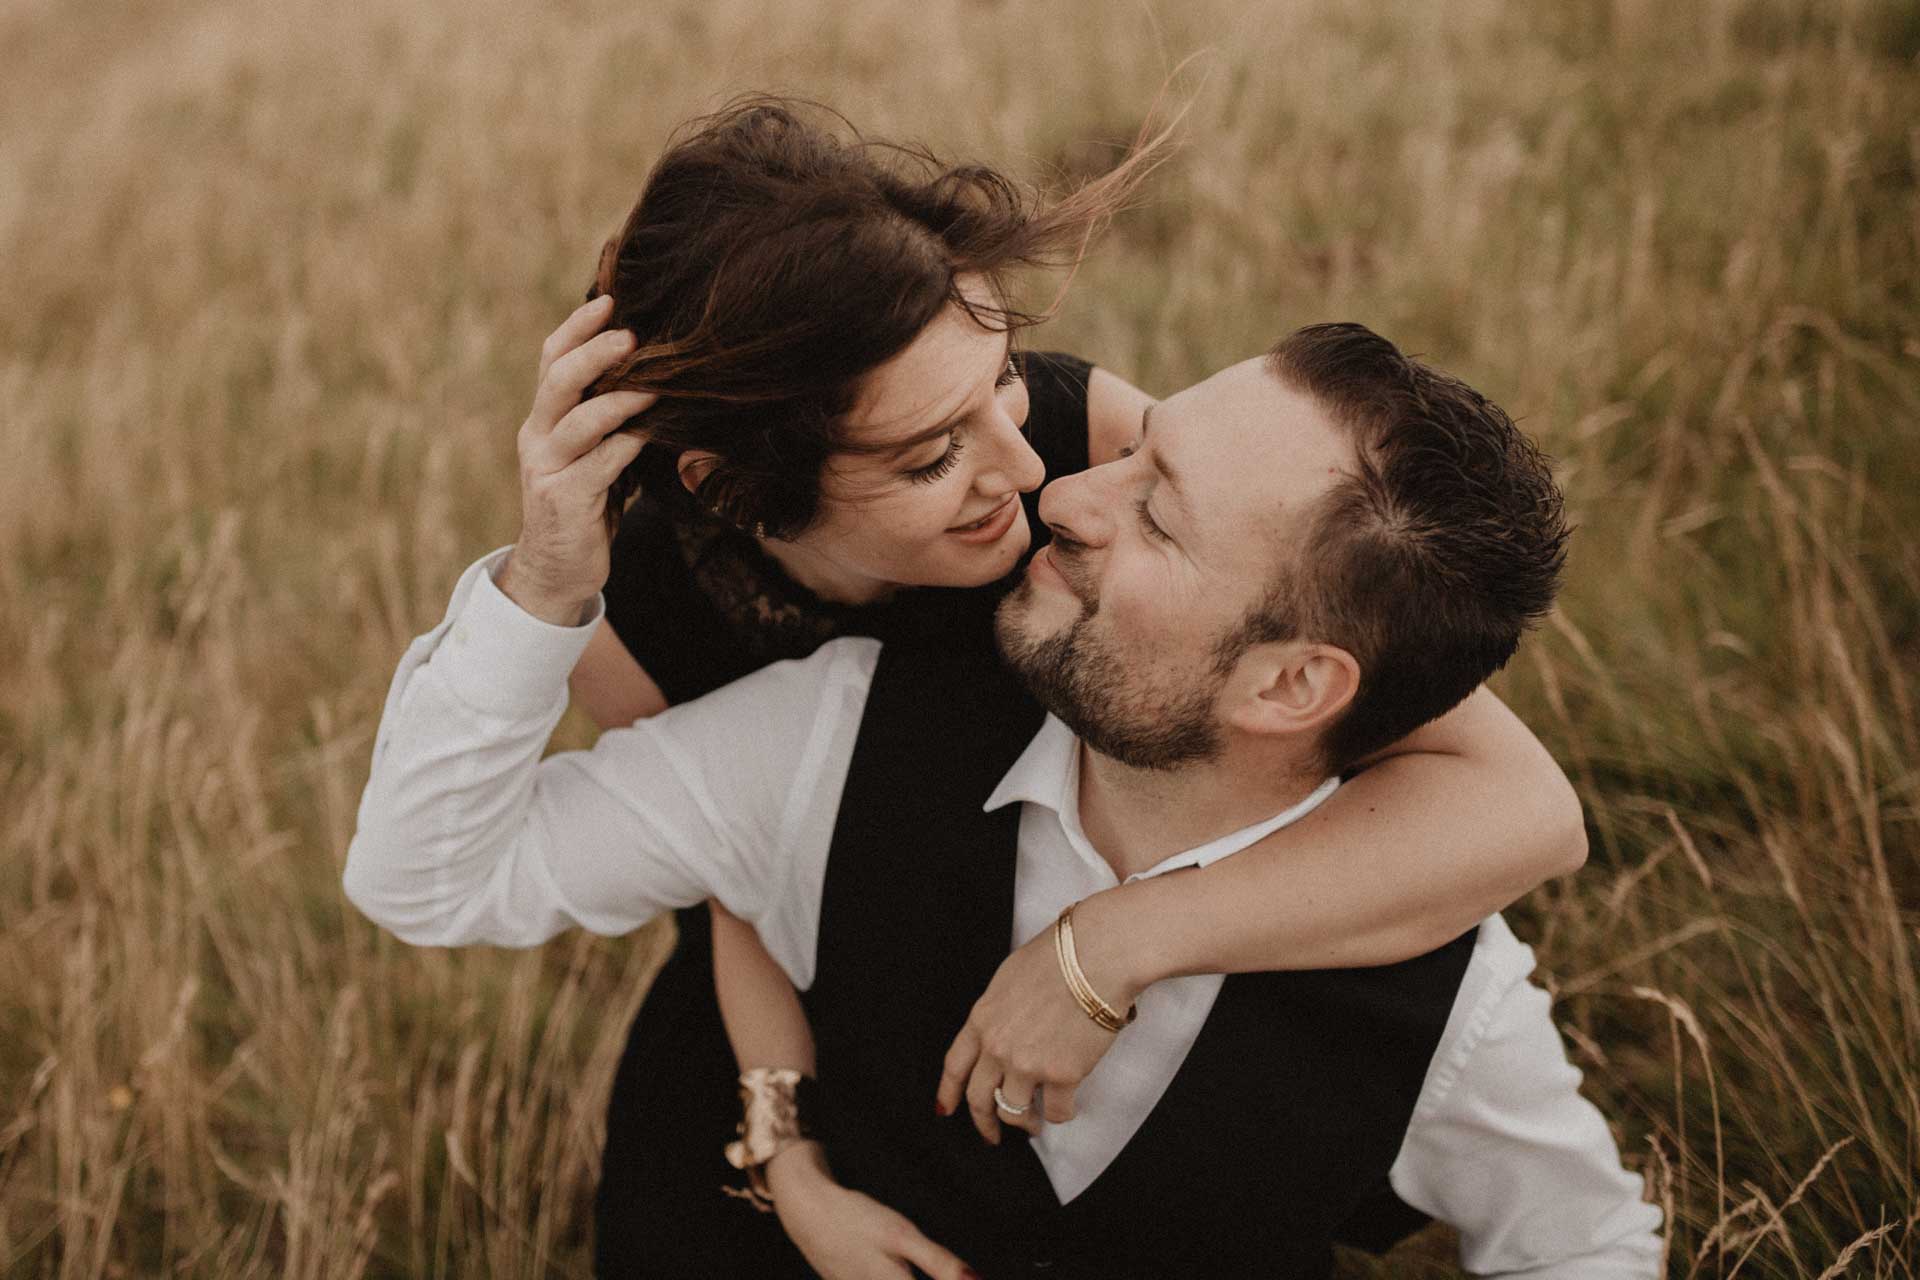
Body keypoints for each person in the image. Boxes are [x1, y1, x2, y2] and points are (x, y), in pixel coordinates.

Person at [502, 98, 1589, 1276]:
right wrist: (790, 1162)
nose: (1034, 481)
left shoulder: (1070, 440)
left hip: (1051, 913)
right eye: (930, 451)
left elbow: (1522, 808)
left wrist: (1115, 943)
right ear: (734, 484)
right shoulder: (640, 610)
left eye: (1005, 381)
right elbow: (731, 892)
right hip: (792, 1008)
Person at [345, 323, 1663, 1277]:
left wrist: (1118, 943)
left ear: (1291, 684)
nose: (1060, 492)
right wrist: (543, 583)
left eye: (1159, 517)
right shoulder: (834, 734)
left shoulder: (1444, 1000)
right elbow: (428, 877)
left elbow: (1588, 1244)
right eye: (1130, 448)